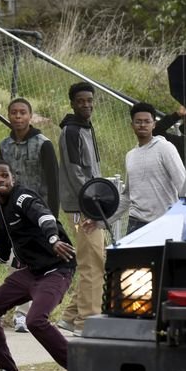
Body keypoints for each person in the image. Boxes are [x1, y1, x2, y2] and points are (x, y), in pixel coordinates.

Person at [0, 159, 75, 371]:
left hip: (56, 269)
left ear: (13, 177)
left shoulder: (23, 198)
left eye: (4, 175)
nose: (0, 180)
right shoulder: (0, 210)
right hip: (30, 272)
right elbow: (2, 255)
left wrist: (54, 239)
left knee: (35, 320)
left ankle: (80, 369)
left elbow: (44, 216)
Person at [0, 97, 59, 333]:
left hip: (38, 212)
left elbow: (53, 182)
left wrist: (51, 217)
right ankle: (15, 308)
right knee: (16, 262)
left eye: (23, 113)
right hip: (13, 213)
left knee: (36, 261)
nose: (18, 117)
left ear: (30, 116)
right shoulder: (4, 145)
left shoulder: (43, 143)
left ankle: (25, 313)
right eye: (14, 113)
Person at [57, 82, 104, 337]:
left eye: (89, 100)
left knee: (94, 260)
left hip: (91, 204)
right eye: (81, 101)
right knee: (91, 264)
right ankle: (86, 323)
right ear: (72, 103)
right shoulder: (72, 131)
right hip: (83, 207)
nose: (86, 105)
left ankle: (70, 316)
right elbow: (76, 173)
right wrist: (93, 202)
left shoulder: (86, 127)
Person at [110, 102, 186, 235]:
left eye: (147, 121)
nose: (143, 125)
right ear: (132, 125)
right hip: (135, 223)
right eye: (138, 121)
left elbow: (183, 185)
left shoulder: (165, 148)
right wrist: (101, 221)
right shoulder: (130, 156)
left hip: (164, 223)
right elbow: (127, 196)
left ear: (154, 124)